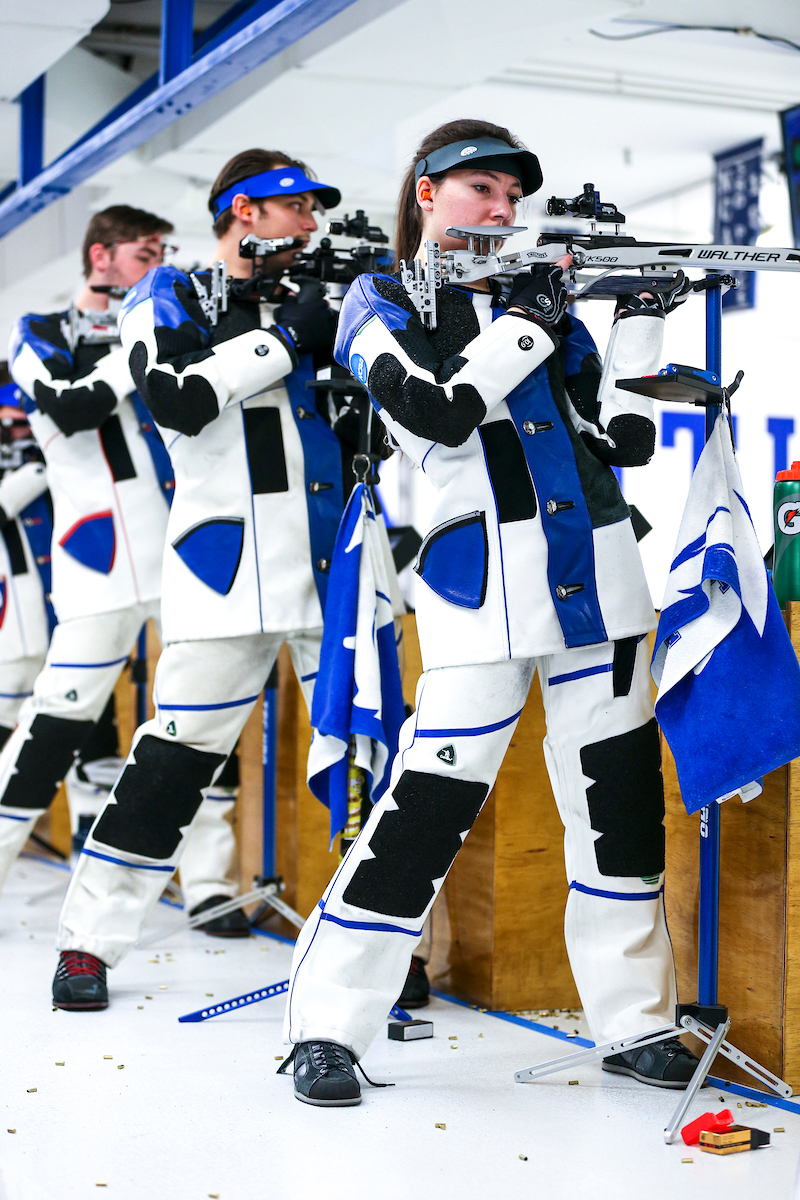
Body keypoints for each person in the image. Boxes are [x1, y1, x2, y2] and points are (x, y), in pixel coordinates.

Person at [281, 118, 698, 1106]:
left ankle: (635, 1023)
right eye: (479, 189)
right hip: (477, 592)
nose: (500, 208)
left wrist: (640, 318)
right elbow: (433, 411)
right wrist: (535, 317)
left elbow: (618, 434)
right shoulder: (378, 299)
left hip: (598, 581)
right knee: (424, 811)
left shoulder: (537, 305)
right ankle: (326, 1029)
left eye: (512, 195)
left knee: (615, 806)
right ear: (425, 195)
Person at [51, 148, 358, 1011]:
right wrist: (287, 335)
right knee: (171, 766)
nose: (310, 222)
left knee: (366, 761)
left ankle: (374, 948)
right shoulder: (170, 294)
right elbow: (178, 398)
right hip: (224, 569)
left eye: (313, 209)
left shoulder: (333, 296)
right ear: (243, 213)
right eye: (293, 206)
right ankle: (88, 943)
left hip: (337, 561)